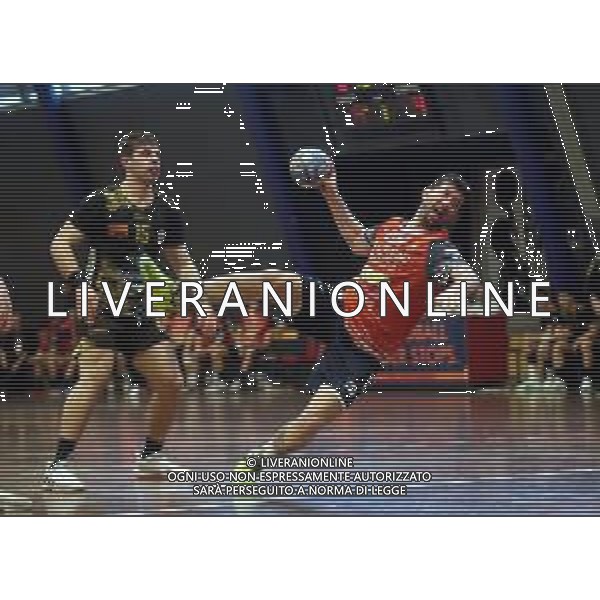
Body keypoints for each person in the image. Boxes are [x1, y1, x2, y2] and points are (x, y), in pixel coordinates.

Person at [202, 164, 483, 467]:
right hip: (339, 307)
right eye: (444, 194)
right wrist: (330, 191)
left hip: (362, 351)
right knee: (277, 280)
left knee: (312, 421)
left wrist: (451, 296)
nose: (447, 203)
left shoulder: (439, 250)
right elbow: (357, 241)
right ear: (426, 192)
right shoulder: (391, 227)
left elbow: (469, 280)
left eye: (455, 203)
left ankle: (255, 462)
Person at [43, 130, 216, 491]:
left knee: (170, 381)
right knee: (95, 377)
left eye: (157, 154)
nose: (153, 160)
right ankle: (58, 466)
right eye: (144, 154)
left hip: (140, 309)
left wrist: (201, 302)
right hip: (102, 304)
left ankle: (150, 458)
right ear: (125, 161)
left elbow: (182, 262)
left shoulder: (166, 211)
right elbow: (60, 243)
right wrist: (79, 285)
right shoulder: (101, 203)